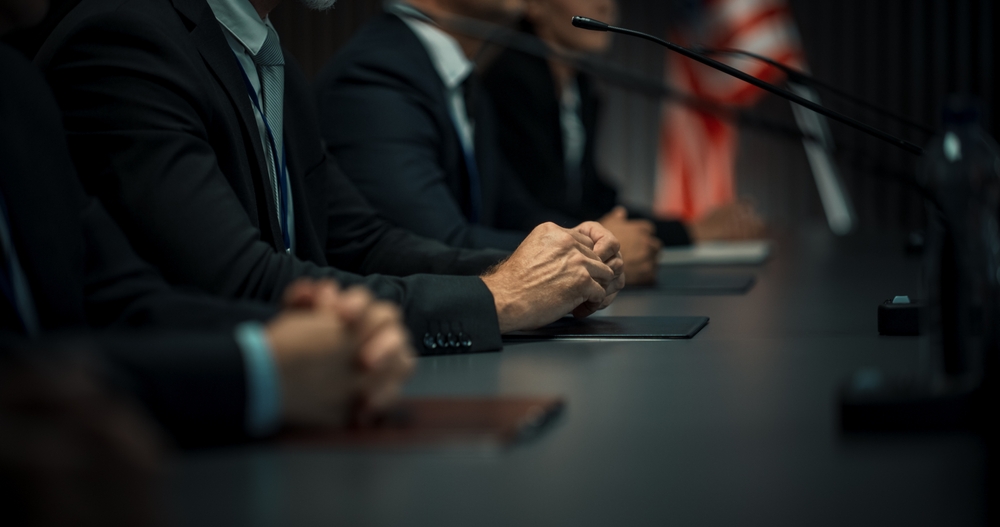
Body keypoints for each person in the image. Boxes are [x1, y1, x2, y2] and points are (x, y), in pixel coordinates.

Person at [36, 0, 625, 355]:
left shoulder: (266, 52)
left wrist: (552, 263)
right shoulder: (124, 36)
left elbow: (363, 240)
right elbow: (234, 279)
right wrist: (496, 297)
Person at [1, 1, 415, 445]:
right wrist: (264, 364)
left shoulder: (13, 85)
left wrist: (328, 330)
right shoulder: (122, 35)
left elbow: (126, 302)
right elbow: (232, 277)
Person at [315, 0, 662, 284]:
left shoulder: (463, 79)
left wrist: (596, 239)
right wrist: (586, 251)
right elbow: (435, 243)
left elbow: (513, 213)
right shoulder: (374, 72)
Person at [481, 0, 765, 256]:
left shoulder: (580, 87)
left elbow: (595, 199)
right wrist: (689, 233)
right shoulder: (511, 80)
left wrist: (689, 228)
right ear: (534, 6)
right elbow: (540, 209)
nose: (605, 5)